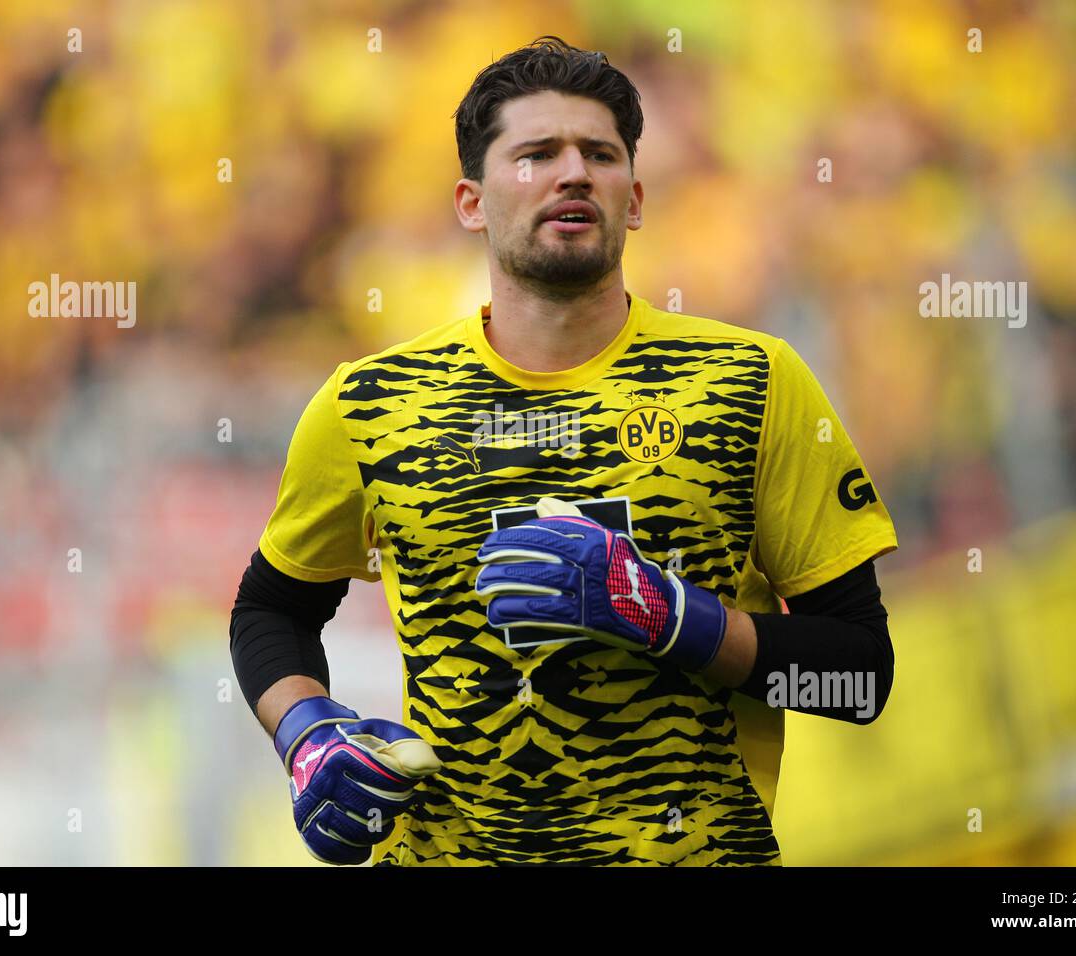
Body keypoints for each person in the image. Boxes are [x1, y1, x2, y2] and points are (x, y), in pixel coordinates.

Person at [230, 36, 898, 866]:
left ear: (637, 197)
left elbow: (860, 679)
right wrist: (307, 738)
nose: (573, 172)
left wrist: (674, 620)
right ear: (471, 203)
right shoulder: (369, 403)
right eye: (537, 153)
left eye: (600, 154)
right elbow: (271, 610)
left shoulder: (751, 382)